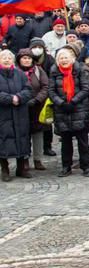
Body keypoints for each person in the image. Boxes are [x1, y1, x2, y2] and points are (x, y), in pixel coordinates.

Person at [48, 46, 89, 177]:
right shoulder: (54, 72)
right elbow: (51, 91)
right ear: (57, 60)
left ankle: (86, 167)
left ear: (72, 59)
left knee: (83, 141)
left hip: (79, 108)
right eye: (61, 58)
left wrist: (73, 101)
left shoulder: (81, 70)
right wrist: (61, 102)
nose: (64, 60)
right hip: (62, 110)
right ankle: (66, 166)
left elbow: (85, 89)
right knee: (66, 142)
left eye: (66, 57)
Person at [0, 49, 32, 181]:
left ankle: (21, 168)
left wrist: (18, 97)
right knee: (3, 140)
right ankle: (5, 169)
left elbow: (28, 89)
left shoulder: (20, 74)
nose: (7, 59)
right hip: (3, 114)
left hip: (20, 112)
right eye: (3, 57)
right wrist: (10, 98)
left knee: (22, 138)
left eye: (9, 57)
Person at [16, 48, 49, 171]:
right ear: (19, 60)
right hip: (20, 108)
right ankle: (24, 159)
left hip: (37, 107)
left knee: (38, 134)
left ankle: (37, 159)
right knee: (23, 135)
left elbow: (45, 87)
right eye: (24, 58)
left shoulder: (38, 70)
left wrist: (37, 100)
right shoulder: (15, 72)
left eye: (29, 58)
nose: (26, 60)